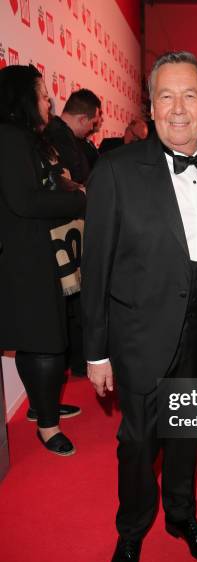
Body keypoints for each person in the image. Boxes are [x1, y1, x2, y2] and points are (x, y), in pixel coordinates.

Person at [81, 51, 197, 562]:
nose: (177, 108)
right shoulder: (117, 170)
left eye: (189, 95)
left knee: (187, 435)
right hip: (138, 334)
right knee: (138, 443)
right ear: (150, 105)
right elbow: (94, 267)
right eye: (165, 96)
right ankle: (132, 529)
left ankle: (181, 516)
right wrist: (96, 351)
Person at [0, 65, 86, 455]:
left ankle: (41, 406)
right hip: (24, 258)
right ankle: (48, 425)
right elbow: (25, 202)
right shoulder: (9, 138)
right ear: (22, 99)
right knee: (46, 342)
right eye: (41, 93)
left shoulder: (20, 138)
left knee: (37, 341)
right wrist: (80, 198)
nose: (48, 100)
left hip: (31, 252)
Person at [45, 89, 102, 378]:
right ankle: (77, 361)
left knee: (78, 297)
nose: (93, 129)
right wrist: (80, 188)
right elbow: (64, 181)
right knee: (73, 298)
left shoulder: (71, 139)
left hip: (74, 228)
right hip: (64, 230)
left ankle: (80, 359)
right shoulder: (54, 137)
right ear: (83, 117)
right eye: (92, 123)